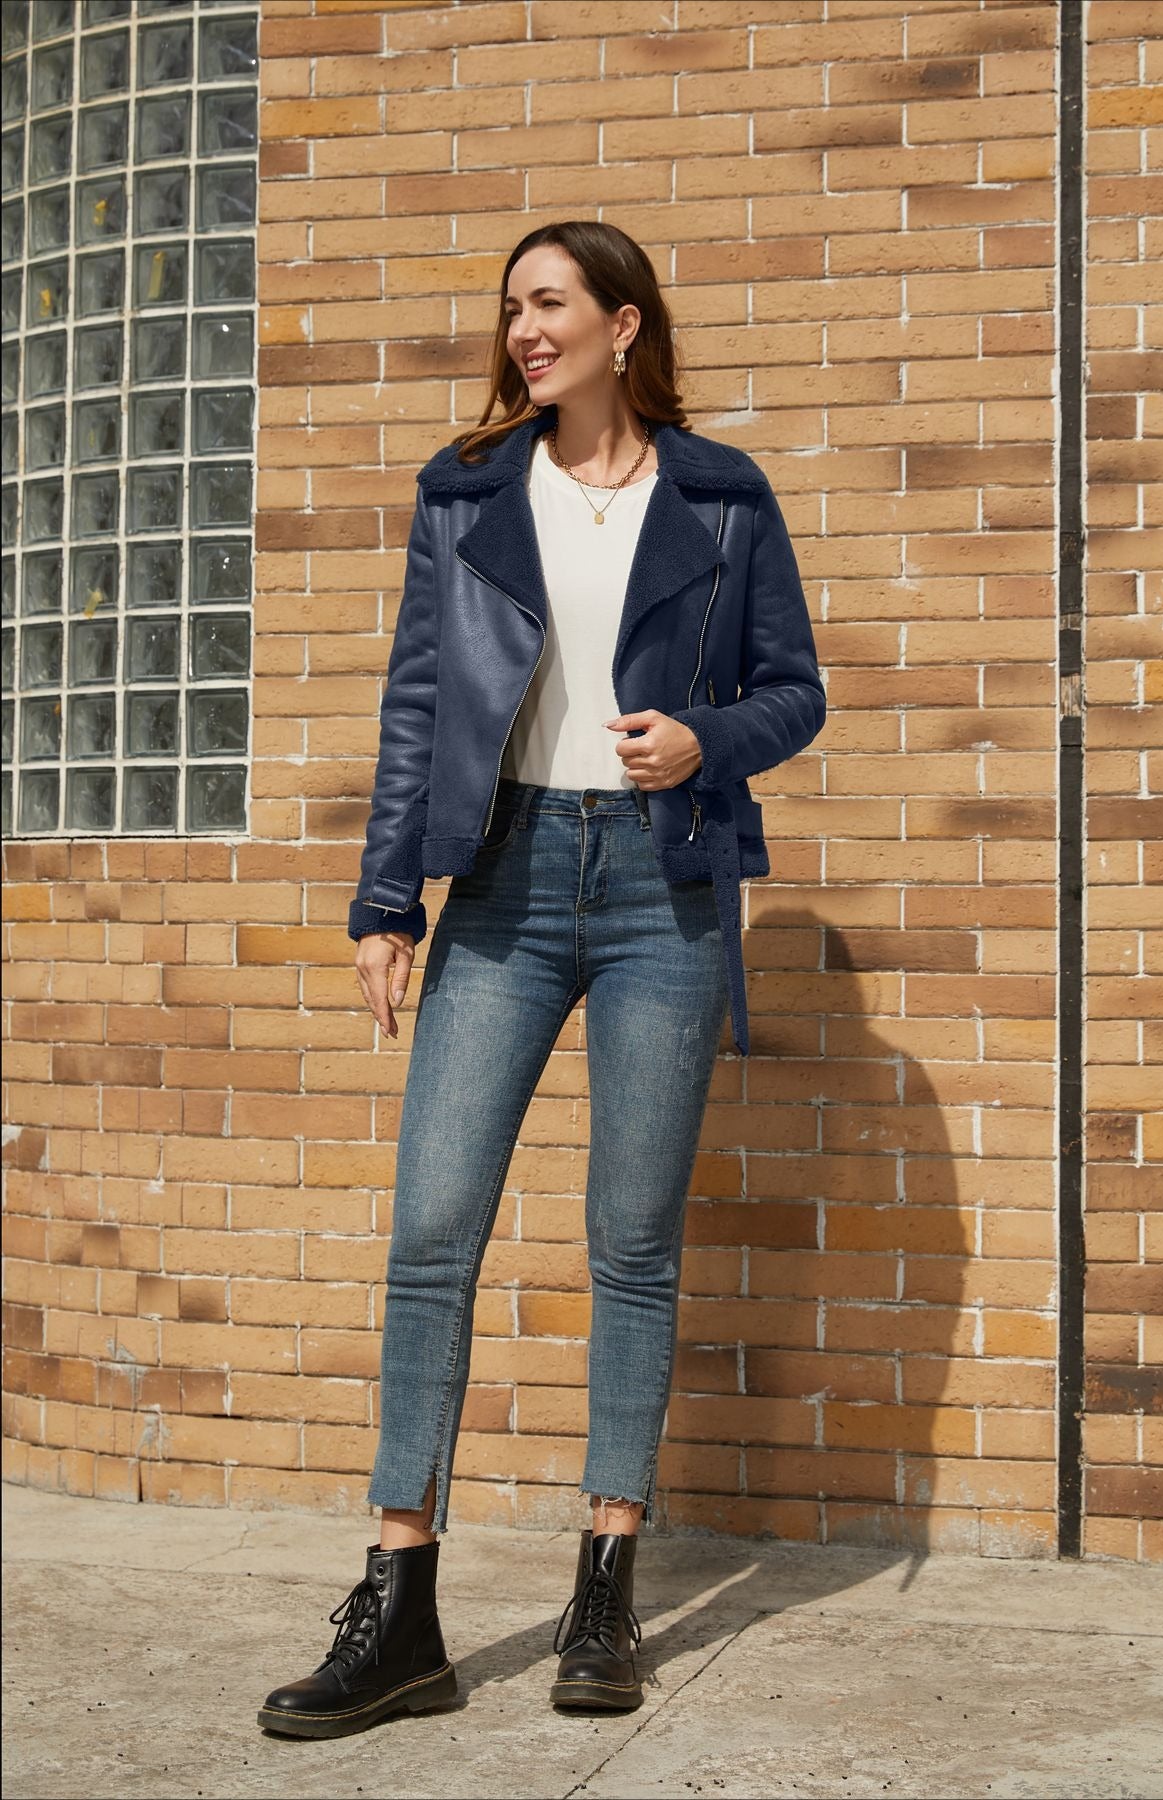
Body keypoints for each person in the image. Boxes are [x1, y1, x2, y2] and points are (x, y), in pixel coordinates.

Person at [258, 220, 825, 1739]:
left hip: (662, 888)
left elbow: (796, 690)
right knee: (432, 1232)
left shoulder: (721, 494)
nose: (523, 328)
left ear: (623, 325)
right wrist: (386, 901)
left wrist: (707, 738)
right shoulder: (465, 492)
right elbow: (418, 702)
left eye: (551, 302)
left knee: (630, 1243)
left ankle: (604, 1593)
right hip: (503, 876)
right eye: (512, 305)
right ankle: (401, 1611)